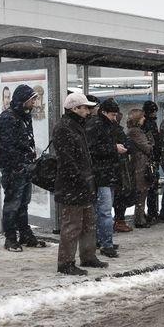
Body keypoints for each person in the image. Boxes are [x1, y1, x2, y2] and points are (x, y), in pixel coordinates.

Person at [53, 92, 107, 275]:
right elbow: (67, 160)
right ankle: (66, 263)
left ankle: (88, 256)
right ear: (75, 108)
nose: (89, 111)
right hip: (73, 186)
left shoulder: (76, 126)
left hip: (83, 184)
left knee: (88, 223)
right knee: (72, 225)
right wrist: (81, 179)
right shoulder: (64, 128)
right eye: (85, 107)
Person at [0, 84, 46, 252]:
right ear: (24, 100)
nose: (34, 103)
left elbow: (25, 142)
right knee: (12, 203)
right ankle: (10, 238)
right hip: (13, 169)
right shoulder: (8, 118)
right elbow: (8, 146)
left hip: (24, 168)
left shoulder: (24, 116)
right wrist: (19, 163)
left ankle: (25, 234)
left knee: (23, 202)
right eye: (32, 99)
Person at [85, 98, 127, 258]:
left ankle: (101, 240)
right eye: (112, 114)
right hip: (103, 174)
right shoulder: (96, 125)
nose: (115, 118)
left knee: (103, 210)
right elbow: (93, 149)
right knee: (105, 211)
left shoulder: (104, 125)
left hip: (107, 173)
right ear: (103, 112)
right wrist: (113, 148)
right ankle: (106, 244)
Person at [126, 109, 155, 228]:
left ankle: (141, 216)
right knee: (141, 192)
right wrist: (151, 142)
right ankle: (139, 218)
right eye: (142, 117)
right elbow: (147, 147)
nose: (144, 119)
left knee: (142, 191)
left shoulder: (135, 131)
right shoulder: (135, 132)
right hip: (140, 164)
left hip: (140, 163)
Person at [112, 111, 135, 233]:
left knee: (118, 195)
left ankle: (118, 220)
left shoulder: (112, 128)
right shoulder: (115, 129)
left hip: (116, 167)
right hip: (118, 167)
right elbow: (128, 146)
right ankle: (119, 221)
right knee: (120, 194)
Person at [142, 100, 161, 223]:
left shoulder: (146, 124)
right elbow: (153, 144)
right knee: (151, 187)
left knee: (151, 187)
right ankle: (152, 212)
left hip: (151, 159)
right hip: (151, 159)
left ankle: (152, 212)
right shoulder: (150, 125)